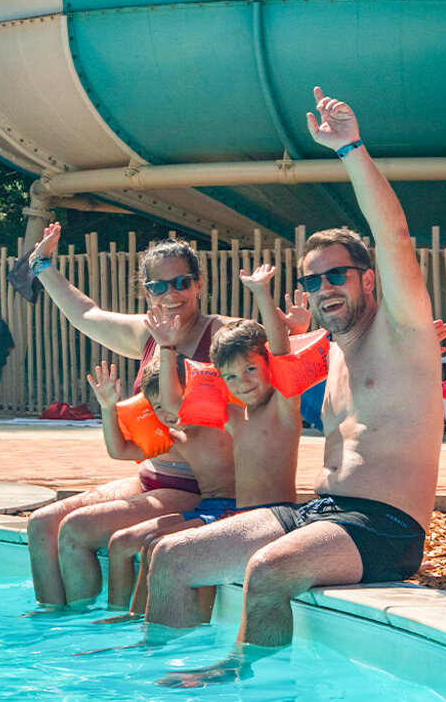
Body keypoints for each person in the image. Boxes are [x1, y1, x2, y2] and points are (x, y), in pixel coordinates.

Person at [144, 87, 445, 686]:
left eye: (338, 274)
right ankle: (160, 678)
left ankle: (249, 687)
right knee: (173, 557)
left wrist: (350, 148)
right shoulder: (328, 351)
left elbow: (395, 237)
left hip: (386, 527)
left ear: (368, 278)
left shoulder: (403, 331)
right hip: (322, 512)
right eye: (313, 280)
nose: (325, 286)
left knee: (270, 570)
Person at [25, 230, 237, 606]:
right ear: (146, 290)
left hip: (195, 486)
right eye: (158, 287)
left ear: (199, 284)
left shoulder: (222, 335)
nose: (170, 295)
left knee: (76, 530)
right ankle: (51, 629)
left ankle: (87, 631)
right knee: (41, 524)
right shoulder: (148, 334)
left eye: (181, 283)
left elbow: (274, 354)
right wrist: (41, 265)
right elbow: (85, 313)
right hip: (151, 476)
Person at [103, 264, 307, 616]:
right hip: (238, 515)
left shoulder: (283, 411)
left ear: (267, 368)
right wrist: (167, 349)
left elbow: (283, 353)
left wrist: (261, 291)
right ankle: (139, 624)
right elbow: (174, 406)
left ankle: (180, 631)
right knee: (154, 545)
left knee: (170, 550)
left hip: (275, 516)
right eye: (230, 376)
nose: (241, 381)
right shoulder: (234, 417)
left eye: (250, 370)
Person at [51, 352, 235, 609]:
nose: (168, 412)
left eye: (173, 400)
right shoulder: (174, 436)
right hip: (204, 509)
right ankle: (120, 618)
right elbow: (120, 451)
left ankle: (135, 618)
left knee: (154, 548)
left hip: (222, 510)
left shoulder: (225, 424)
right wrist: (108, 407)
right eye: (158, 407)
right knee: (125, 543)